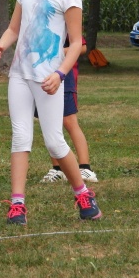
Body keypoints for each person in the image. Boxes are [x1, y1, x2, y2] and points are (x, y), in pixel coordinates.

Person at [0, 0, 102, 225]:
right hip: (19, 76)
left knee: (54, 142)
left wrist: (59, 73)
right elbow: (14, 28)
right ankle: (17, 205)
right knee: (20, 137)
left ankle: (83, 194)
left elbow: (76, 43)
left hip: (50, 78)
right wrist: (2, 43)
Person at [40, 36, 98, 182]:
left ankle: (85, 168)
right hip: (44, 77)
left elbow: (82, 47)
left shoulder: (63, 17)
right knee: (49, 123)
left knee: (69, 121)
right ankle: (57, 169)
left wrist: (55, 52)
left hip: (64, 79)